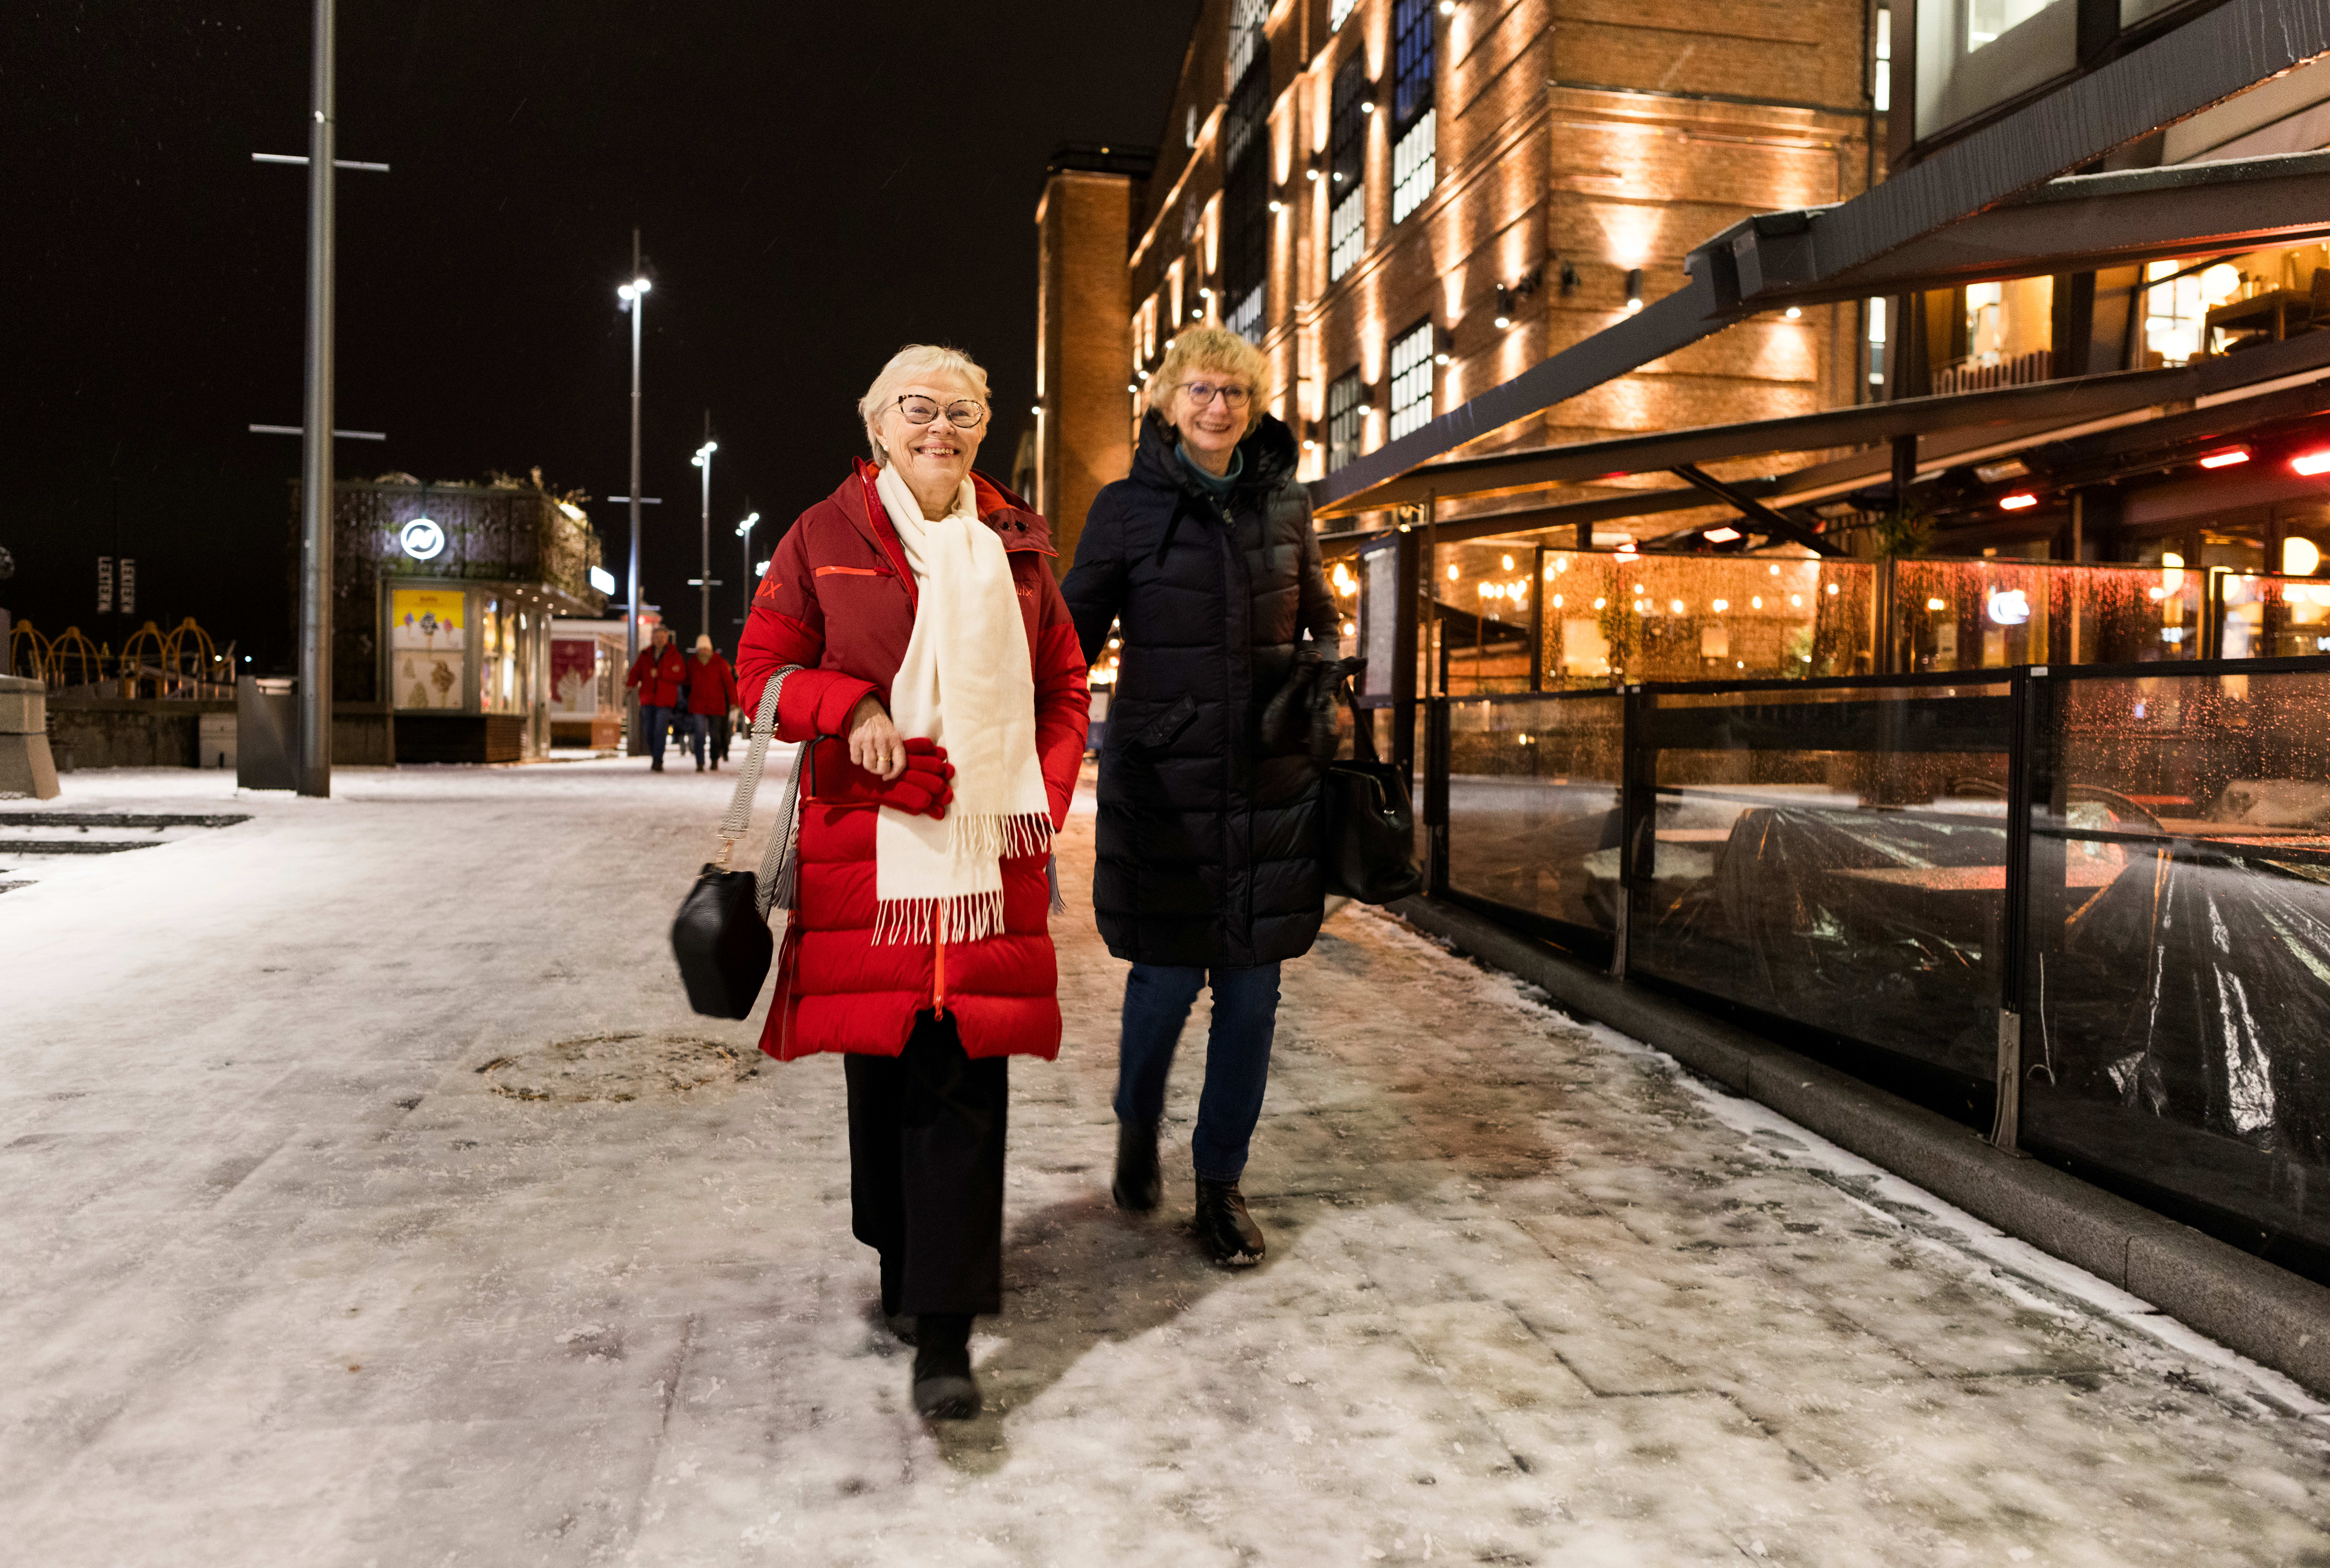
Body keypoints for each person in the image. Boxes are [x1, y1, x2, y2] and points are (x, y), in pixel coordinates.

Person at [735, 344, 1088, 1420]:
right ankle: (901, 1254)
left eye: (964, 412)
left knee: (960, 1069)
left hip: (987, 851)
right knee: (882, 1065)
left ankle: (944, 1331)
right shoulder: (822, 535)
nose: (943, 427)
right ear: (878, 421)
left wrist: (1039, 790)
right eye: (919, 408)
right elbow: (759, 675)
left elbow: (1062, 685)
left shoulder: (1016, 544)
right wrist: (851, 708)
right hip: (864, 847)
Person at [1061, 325, 1340, 1267]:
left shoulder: (1287, 505)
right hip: (1166, 791)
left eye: (1234, 392)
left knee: (1252, 997)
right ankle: (1136, 1121)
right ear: (1168, 400)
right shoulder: (1126, 509)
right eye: (1200, 390)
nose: (1216, 406)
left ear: (1252, 406)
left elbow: (1319, 617)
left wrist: (1318, 688)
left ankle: (1218, 1185)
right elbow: (1069, 636)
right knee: (1164, 984)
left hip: (1268, 787)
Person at [625, 623, 688, 772]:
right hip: (648, 699)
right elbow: (636, 672)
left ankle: (658, 760)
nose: (660, 639)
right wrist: (630, 685)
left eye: (663, 637)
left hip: (665, 700)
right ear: (652, 638)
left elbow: (682, 676)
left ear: (667, 638)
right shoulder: (645, 655)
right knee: (649, 730)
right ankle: (655, 756)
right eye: (657, 637)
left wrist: (661, 674)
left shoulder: (675, 655)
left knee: (661, 729)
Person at [684, 633, 738, 772]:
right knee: (700, 734)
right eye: (701, 648)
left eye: (705, 648)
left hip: (717, 705)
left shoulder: (720, 663)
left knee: (715, 735)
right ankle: (700, 763)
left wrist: (733, 702)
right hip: (698, 705)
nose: (703, 651)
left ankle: (714, 760)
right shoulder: (692, 663)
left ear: (710, 649)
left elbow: (730, 684)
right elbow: (686, 682)